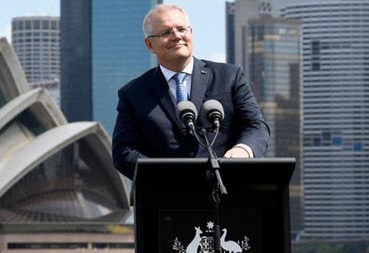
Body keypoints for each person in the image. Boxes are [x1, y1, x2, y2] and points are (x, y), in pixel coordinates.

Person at [112, 4, 270, 179]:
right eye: (166, 33)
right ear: (150, 44)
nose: (177, 36)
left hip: (227, 192)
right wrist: (168, 176)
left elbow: (256, 126)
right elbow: (123, 152)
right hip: (165, 198)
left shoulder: (229, 77)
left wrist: (243, 149)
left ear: (191, 33)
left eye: (181, 29)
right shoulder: (133, 93)